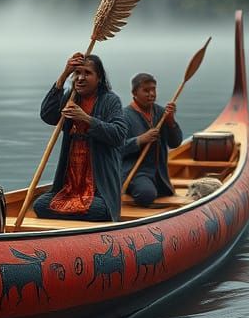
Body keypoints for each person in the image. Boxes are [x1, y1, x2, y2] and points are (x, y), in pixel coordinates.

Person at [32, 52, 126, 221]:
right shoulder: (70, 97)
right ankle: (76, 219)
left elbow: (119, 135)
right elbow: (47, 115)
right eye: (77, 73)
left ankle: (71, 218)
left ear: (99, 78)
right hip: (70, 187)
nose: (80, 78)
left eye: (87, 73)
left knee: (102, 209)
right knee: (39, 205)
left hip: (99, 191)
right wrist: (63, 75)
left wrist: (86, 119)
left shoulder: (111, 101)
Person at [122, 72, 183, 207]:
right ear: (134, 93)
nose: (151, 94)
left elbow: (175, 143)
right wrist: (140, 140)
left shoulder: (162, 113)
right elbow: (116, 148)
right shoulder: (124, 116)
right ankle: (129, 188)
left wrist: (171, 121)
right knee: (146, 195)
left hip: (159, 174)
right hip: (135, 173)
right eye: (146, 90)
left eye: (153, 89)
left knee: (164, 193)